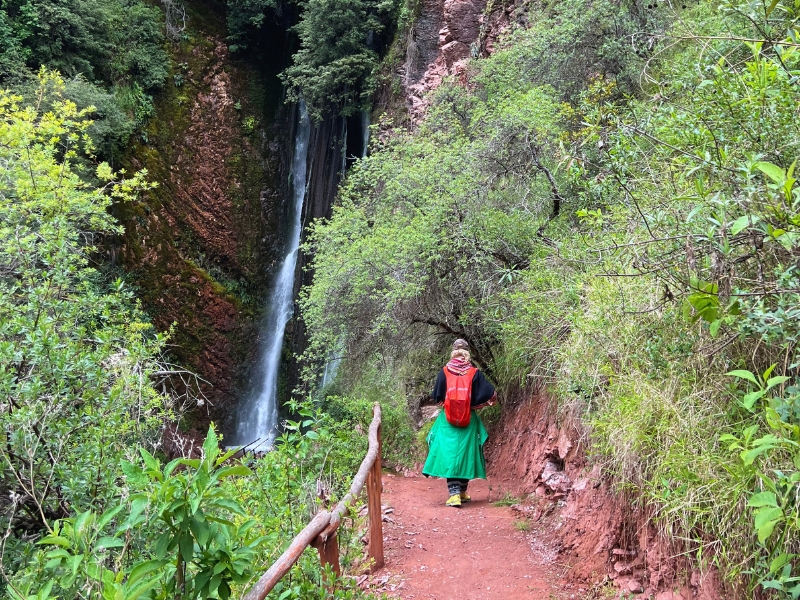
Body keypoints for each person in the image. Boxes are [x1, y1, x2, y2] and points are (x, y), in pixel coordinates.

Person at [422, 339, 497, 507]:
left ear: (453, 351)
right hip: (469, 420)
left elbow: (438, 397)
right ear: (467, 353)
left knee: (450, 456)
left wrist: (448, 405)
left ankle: (455, 494)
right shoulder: (474, 372)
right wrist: (474, 406)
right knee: (465, 454)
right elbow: (492, 395)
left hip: (447, 421)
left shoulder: (444, 372)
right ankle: (462, 491)